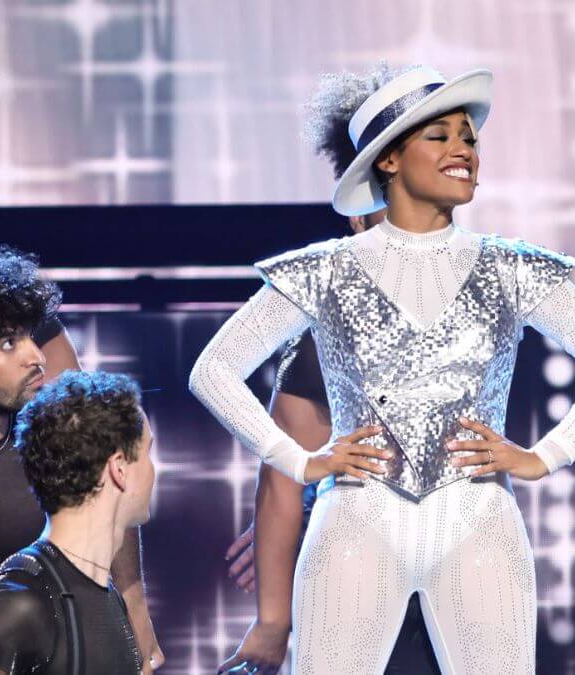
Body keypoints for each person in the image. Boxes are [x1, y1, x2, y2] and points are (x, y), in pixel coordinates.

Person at [190, 62, 575, 672]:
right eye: (441, 136)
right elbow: (214, 370)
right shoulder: (324, 269)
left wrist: (546, 455)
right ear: (388, 159)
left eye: (470, 137)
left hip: (480, 519)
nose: (465, 149)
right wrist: (299, 460)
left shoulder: (510, 267)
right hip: (355, 520)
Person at [217, 70, 439, 675]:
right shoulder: (327, 327)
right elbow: (282, 478)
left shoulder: (479, 294)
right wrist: (272, 620)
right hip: (359, 576)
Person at [0, 245, 163, 671]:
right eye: (10, 342)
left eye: (32, 335)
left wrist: (132, 599)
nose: (37, 357)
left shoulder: (49, 430)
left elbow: (109, 478)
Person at [0, 370, 158, 675]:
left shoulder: (106, 595)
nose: (152, 471)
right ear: (118, 468)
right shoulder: (22, 598)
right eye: (148, 453)